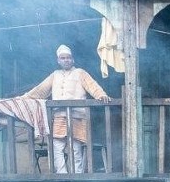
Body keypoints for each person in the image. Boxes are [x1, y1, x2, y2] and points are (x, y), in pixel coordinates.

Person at [23, 44, 111, 174]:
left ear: (73, 59)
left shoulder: (80, 72)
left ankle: (77, 174)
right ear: (58, 60)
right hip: (59, 117)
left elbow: (92, 86)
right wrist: (25, 98)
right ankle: (62, 174)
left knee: (75, 148)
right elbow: (41, 90)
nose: (66, 60)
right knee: (57, 147)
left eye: (68, 58)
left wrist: (101, 95)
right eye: (63, 58)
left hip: (77, 116)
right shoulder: (55, 75)